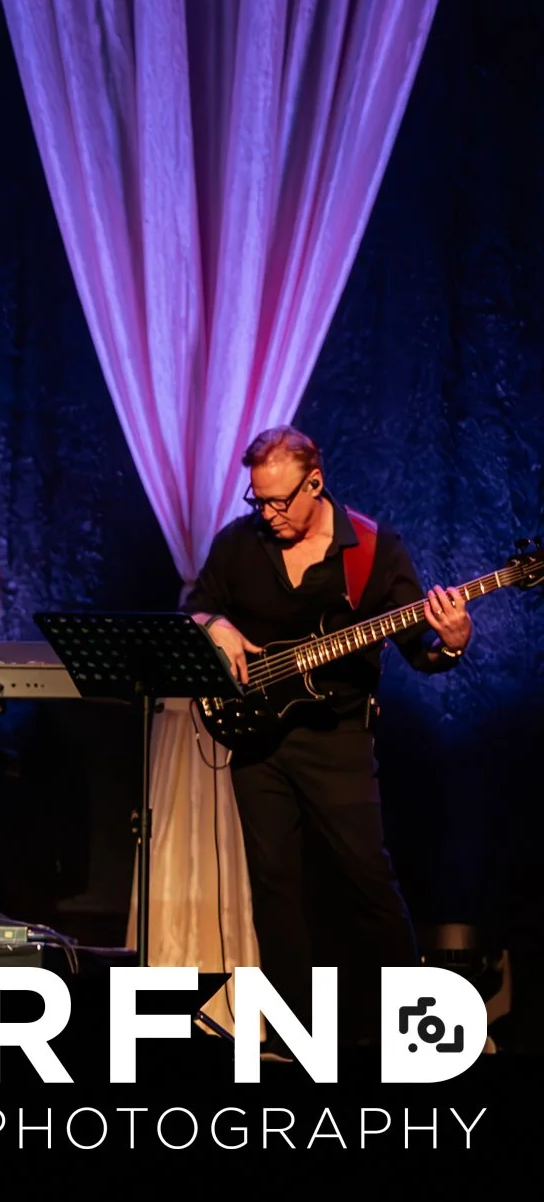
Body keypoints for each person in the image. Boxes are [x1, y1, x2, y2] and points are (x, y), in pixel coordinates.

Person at [187, 426, 469, 1039]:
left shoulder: (371, 549)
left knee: (366, 877)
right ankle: (294, 1036)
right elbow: (198, 605)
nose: (268, 513)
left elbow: (420, 648)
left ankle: (410, 1029)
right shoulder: (239, 542)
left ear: (315, 483)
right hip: (256, 735)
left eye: (279, 501)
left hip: (337, 735)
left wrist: (450, 643)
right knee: (274, 885)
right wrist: (214, 625)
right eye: (258, 500)